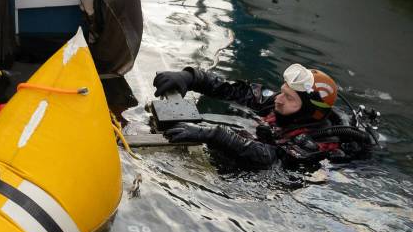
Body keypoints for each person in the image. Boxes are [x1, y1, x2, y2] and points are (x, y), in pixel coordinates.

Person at [154, 63, 375, 167]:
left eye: (289, 98)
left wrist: (212, 134)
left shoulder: (318, 143)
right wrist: (190, 77)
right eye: (283, 91)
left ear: (308, 111)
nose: (278, 99)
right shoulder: (276, 101)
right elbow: (231, 89)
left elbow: (269, 157)